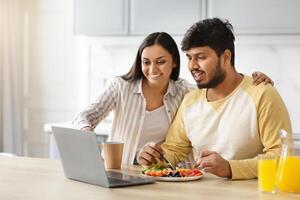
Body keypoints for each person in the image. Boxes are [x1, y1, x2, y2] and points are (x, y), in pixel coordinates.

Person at [72, 31, 274, 165]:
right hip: (121, 170)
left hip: (162, 173)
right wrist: (87, 134)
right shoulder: (121, 87)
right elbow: (84, 116)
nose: (152, 70)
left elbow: (217, 84)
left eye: (160, 62)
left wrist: (252, 79)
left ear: (174, 63)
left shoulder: (185, 92)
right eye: (146, 62)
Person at [137, 18, 292, 179]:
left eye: (201, 57)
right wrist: (154, 158)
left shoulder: (262, 94)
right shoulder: (190, 100)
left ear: (225, 57)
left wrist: (231, 168)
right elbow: (174, 151)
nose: (192, 65)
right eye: (190, 58)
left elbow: (281, 156)